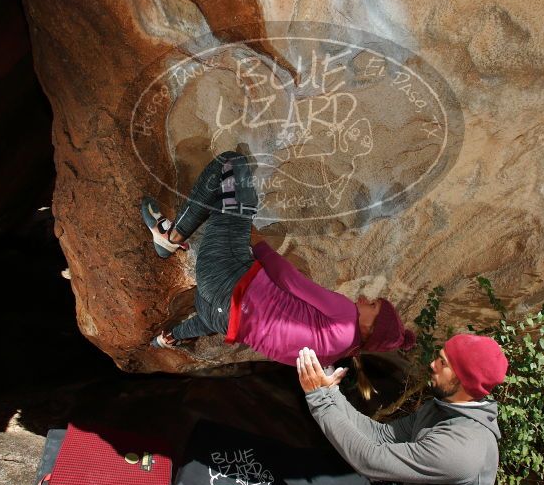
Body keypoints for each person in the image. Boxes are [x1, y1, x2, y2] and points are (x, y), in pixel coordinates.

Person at [141, 149, 415, 393]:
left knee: (232, 168)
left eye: (374, 305)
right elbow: (273, 345)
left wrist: (259, 244)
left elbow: (291, 281)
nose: (366, 299)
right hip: (221, 319)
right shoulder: (330, 356)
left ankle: (170, 237)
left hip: (227, 279)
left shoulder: (346, 316)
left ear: (370, 326)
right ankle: (167, 338)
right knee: (208, 314)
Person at [297, 333, 508, 485]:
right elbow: (380, 435)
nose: (433, 364)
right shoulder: (441, 408)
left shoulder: (464, 448)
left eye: (443, 363)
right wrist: (331, 394)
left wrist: (320, 400)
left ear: (463, 380)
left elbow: (370, 460)